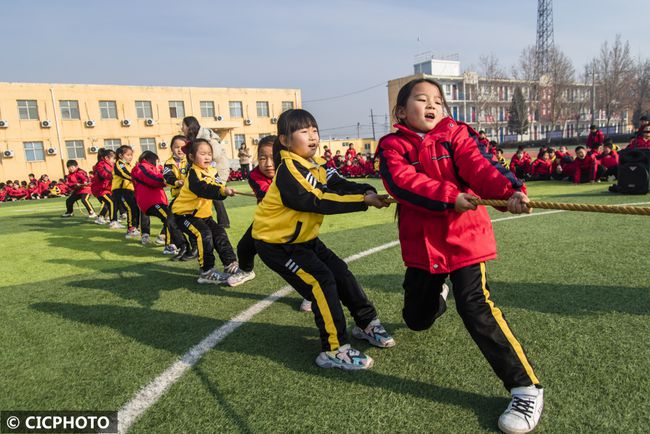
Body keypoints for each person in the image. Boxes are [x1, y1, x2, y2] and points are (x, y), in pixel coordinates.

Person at [377, 78, 543, 434]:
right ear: (402, 112)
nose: (432, 105)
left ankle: (525, 387)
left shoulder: (458, 134)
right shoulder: (391, 146)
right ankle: (437, 296)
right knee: (416, 319)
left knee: (475, 306)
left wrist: (512, 191)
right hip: (422, 248)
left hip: (465, 239)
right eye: (422, 99)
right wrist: (448, 196)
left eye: (438, 100)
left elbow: (480, 167)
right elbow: (402, 182)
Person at [252, 108, 395, 371]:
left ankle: (366, 324)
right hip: (278, 245)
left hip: (304, 240)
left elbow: (338, 183)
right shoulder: (288, 169)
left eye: (314, 130)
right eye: (304, 131)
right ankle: (334, 349)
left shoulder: (314, 166)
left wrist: (367, 190)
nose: (313, 136)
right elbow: (316, 200)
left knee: (340, 272)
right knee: (321, 282)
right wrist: (363, 201)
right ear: (284, 140)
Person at [172, 138, 240, 284]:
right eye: (203, 153)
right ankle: (206, 271)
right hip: (185, 215)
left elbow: (216, 190)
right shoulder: (193, 174)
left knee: (219, 232)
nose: (207, 157)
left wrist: (224, 191)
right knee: (204, 234)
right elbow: (203, 189)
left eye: (209, 153)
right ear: (191, 157)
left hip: (204, 216)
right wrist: (222, 190)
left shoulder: (212, 171)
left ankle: (231, 264)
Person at [132, 151, 189, 259]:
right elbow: (152, 179)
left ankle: (166, 239)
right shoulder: (142, 167)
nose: (158, 164)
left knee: (171, 217)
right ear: (151, 159)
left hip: (156, 200)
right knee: (168, 217)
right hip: (151, 201)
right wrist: (166, 180)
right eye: (157, 161)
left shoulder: (150, 168)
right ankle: (170, 245)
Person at [181, 116, 231, 228]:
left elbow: (216, 154)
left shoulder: (207, 138)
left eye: (183, 125)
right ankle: (217, 221)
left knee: (215, 192)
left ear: (190, 126)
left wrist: (204, 157)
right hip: (206, 170)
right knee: (210, 192)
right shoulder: (195, 138)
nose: (181, 128)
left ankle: (222, 222)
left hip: (217, 169)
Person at [163, 135, 197, 257]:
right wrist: (177, 182)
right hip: (178, 198)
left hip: (191, 197)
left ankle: (195, 247)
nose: (179, 150)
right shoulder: (168, 163)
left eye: (182, 147)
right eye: (176, 147)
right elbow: (168, 177)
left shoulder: (190, 161)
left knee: (192, 222)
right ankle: (183, 246)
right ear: (171, 148)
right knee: (171, 221)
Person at [112, 145, 142, 238]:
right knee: (130, 208)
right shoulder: (119, 163)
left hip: (129, 190)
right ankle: (130, 229)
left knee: (135, 208)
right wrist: (135, 178)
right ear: (121, 156)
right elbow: (123, 173)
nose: (130, 157)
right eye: (128, 155)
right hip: (121, 190)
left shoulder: (130, 165)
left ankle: (135, 227)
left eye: (131, 155)